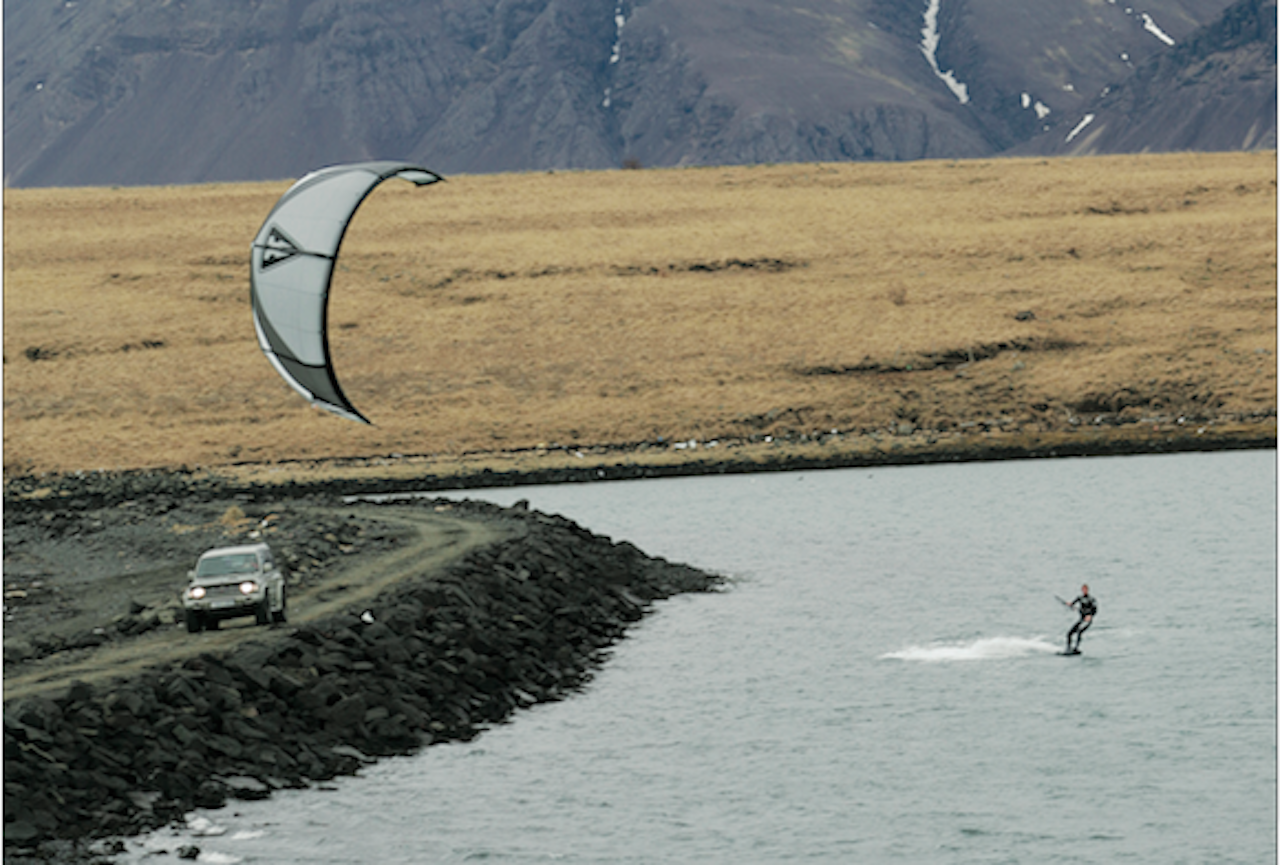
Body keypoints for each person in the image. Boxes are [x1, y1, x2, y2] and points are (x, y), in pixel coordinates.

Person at [1065, 584, 1097, 653]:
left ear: (1087, 590)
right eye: (1083, 589)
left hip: (1087, 621)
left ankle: (1076, 648)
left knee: (1079, 631)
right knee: (1069, 633)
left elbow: (1095, 609)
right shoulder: (1079, 598)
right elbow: (1072, 604)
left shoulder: (1091, 599)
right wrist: (1070, 604)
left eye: (1085, 589)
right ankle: (1068, 649)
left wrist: (1090, 616)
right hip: (1081, 620)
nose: (1084, 591)